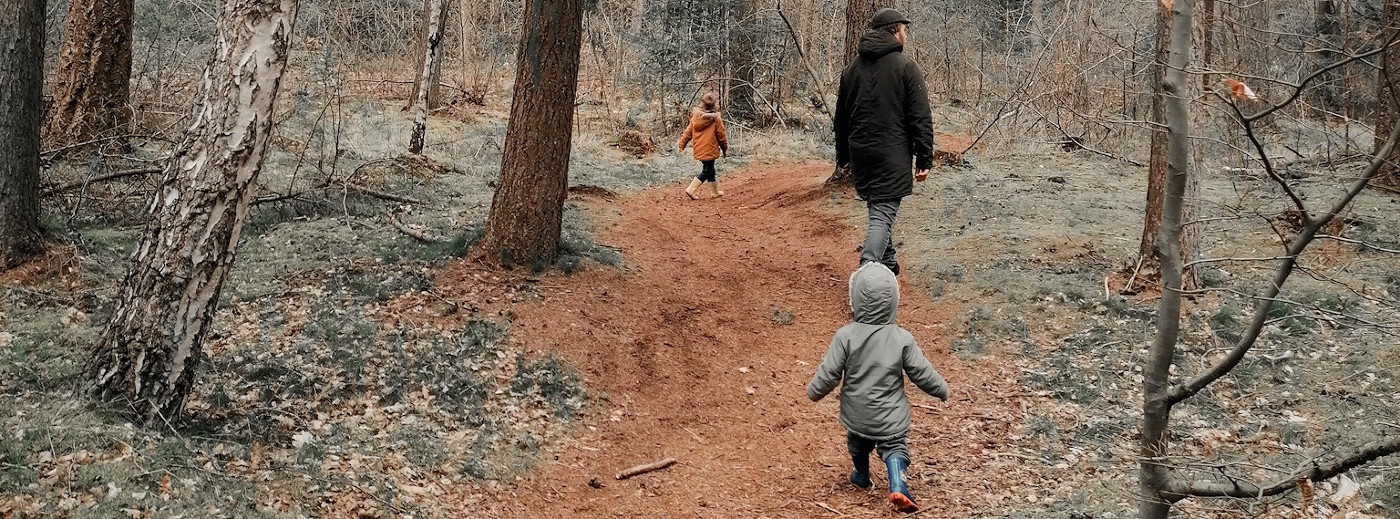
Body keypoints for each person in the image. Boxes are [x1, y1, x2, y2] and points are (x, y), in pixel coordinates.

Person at [808, 262, 949, 513]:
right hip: (890, 415)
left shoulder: (846, 335)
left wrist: (814, 391)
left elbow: (829, 372)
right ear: (894, 299)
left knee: (857, 442)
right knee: (894, 446)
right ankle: (897, 482)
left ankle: (861, 475)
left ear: (855, 299)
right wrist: (941, 389)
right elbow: (921, 372)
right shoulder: (901, 338)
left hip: (857, 412)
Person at [834, 8, 936, 275]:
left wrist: (843, 157)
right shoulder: (906, 67)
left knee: (878, 209)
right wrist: (925, 158)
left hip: (861, 155)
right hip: (892, 155)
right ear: (894, 30)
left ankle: (888, 264)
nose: (906, 35)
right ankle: (868, 271)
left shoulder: (850, 70)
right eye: (904, 30)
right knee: (882, 214)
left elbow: (841, 120)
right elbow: (920, 118)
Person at [677, 92, 729, 199]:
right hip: (710, 150)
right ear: (715, 105)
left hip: (699, 149)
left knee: (711, 169)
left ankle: (714, 192)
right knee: (707, 171)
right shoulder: (716, 120)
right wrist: (725, 149)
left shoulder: (695, 118)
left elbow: (687, 133)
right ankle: (690, 189)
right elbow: (721, 136)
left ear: (701, 104)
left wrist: (681, 145)